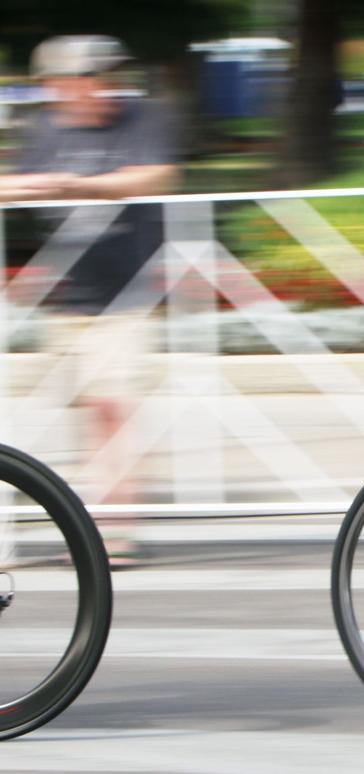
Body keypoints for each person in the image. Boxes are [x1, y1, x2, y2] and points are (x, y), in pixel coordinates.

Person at [0, 35, 180, 567]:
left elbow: (157, 175)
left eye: (105, 77)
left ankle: (115, 531)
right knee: (88, 411)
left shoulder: (142, 118)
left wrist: (81, 185)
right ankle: (93, 524)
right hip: (65, 296)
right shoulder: (44, 130)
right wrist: (36, 185)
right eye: (90, 78)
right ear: (58, 86)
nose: (103, 88)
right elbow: (11, 184)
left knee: (113, 408)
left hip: (126, 293)